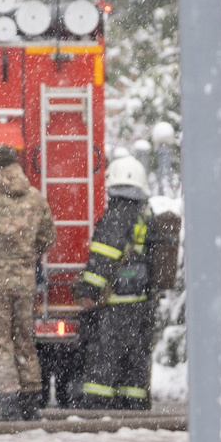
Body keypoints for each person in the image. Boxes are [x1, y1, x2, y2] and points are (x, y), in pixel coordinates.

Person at [0, 145, 55, 422]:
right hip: (25, 283)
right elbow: (47, 238)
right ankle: (30, 399)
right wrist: (24, 257)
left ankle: (8, 401)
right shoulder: (35, 198)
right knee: (24, 340)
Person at [76, 157, 157, 410]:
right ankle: (133, 402)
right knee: (136, 356)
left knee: (105, 354)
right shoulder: (144, 214)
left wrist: (88, 290)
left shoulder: (116, 215)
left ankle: (98, 403)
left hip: (116, 304)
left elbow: (102, 258)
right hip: (140, 301)